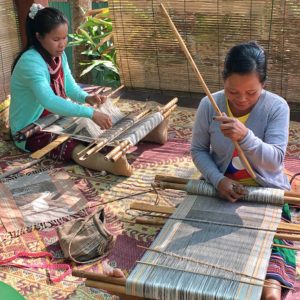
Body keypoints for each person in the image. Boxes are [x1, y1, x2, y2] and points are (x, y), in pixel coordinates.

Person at [191, 41, 295, 299]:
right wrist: (217, 180)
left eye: (251, 92)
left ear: (263, 85)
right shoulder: (209, 105)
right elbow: (198, 150)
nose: (241, 99)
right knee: (193, 243)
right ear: (223, 81)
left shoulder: (276, 107)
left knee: (275, 243)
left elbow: (275, 161)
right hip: (221, 188)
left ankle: (270, 286)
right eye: (232, 91)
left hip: (265, 190)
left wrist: (246, 136)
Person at [10, 4, 132, 176]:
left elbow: (70, 87)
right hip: (31, 129)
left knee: (93, 122)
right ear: (39, 37)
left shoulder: (58, 55)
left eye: (64, 37)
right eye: (56, 39)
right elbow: (49, 101)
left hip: (54, 116)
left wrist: (87, 98)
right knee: (71, 144)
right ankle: (110, 164)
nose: (62, 44)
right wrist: (90, 113)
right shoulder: (31, 62)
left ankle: (140, 135)